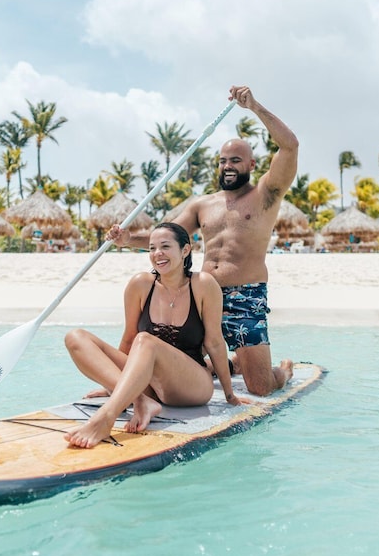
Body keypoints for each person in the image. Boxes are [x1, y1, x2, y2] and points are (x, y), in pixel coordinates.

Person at [108, 85, 297, 396]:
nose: (228, 166)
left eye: (235, 160)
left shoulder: (265, 195)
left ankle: (284, 372)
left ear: (251, 165)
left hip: (245, 296)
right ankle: (229, 364)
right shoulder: (202, 204)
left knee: (261, 387)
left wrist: (255, 107)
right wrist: (127, 238)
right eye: (222, 161)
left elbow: (290, 146)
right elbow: (165, 238)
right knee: (177, 368)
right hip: (200, 294)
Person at [63, 222, 246, 449]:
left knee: (145, 341)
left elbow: (215, 343)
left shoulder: (203, 285)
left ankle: (105, 418)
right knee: (75, 337)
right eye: (152, 248)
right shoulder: (140, 284)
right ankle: (140, 400)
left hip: (191, 385)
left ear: (185, 250)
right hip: (149, 384)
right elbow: (128, 338)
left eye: (165, 246)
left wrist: (229, 395)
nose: (157, 253)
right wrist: (116, 384)